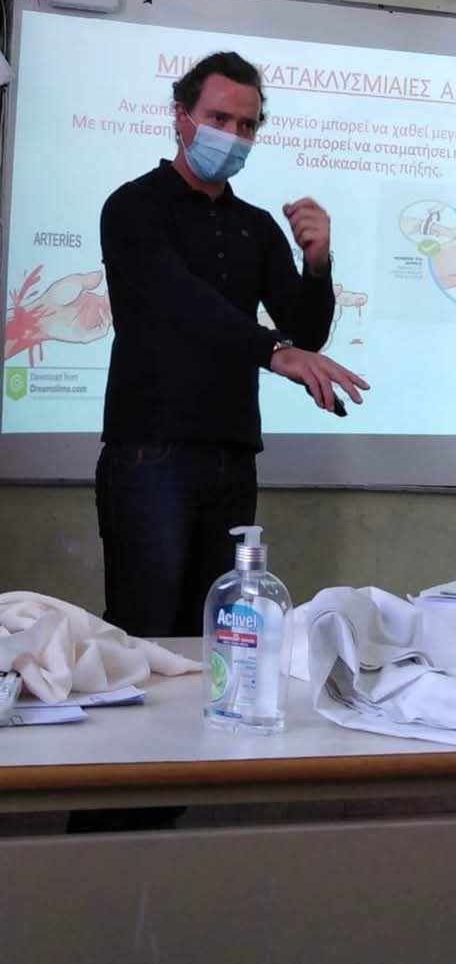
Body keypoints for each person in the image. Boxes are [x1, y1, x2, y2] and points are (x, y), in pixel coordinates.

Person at [96, 50, 369, 638]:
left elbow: (307, 331)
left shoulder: (256, 225)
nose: (233, 135)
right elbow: (178, 302)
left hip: (232, 455)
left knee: (221, 635)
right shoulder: (133, 207)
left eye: (246, 125)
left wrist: (317, 262)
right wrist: (273, 351)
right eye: (219, 119)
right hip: (151, 453)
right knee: (146, 633)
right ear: (181, 116)